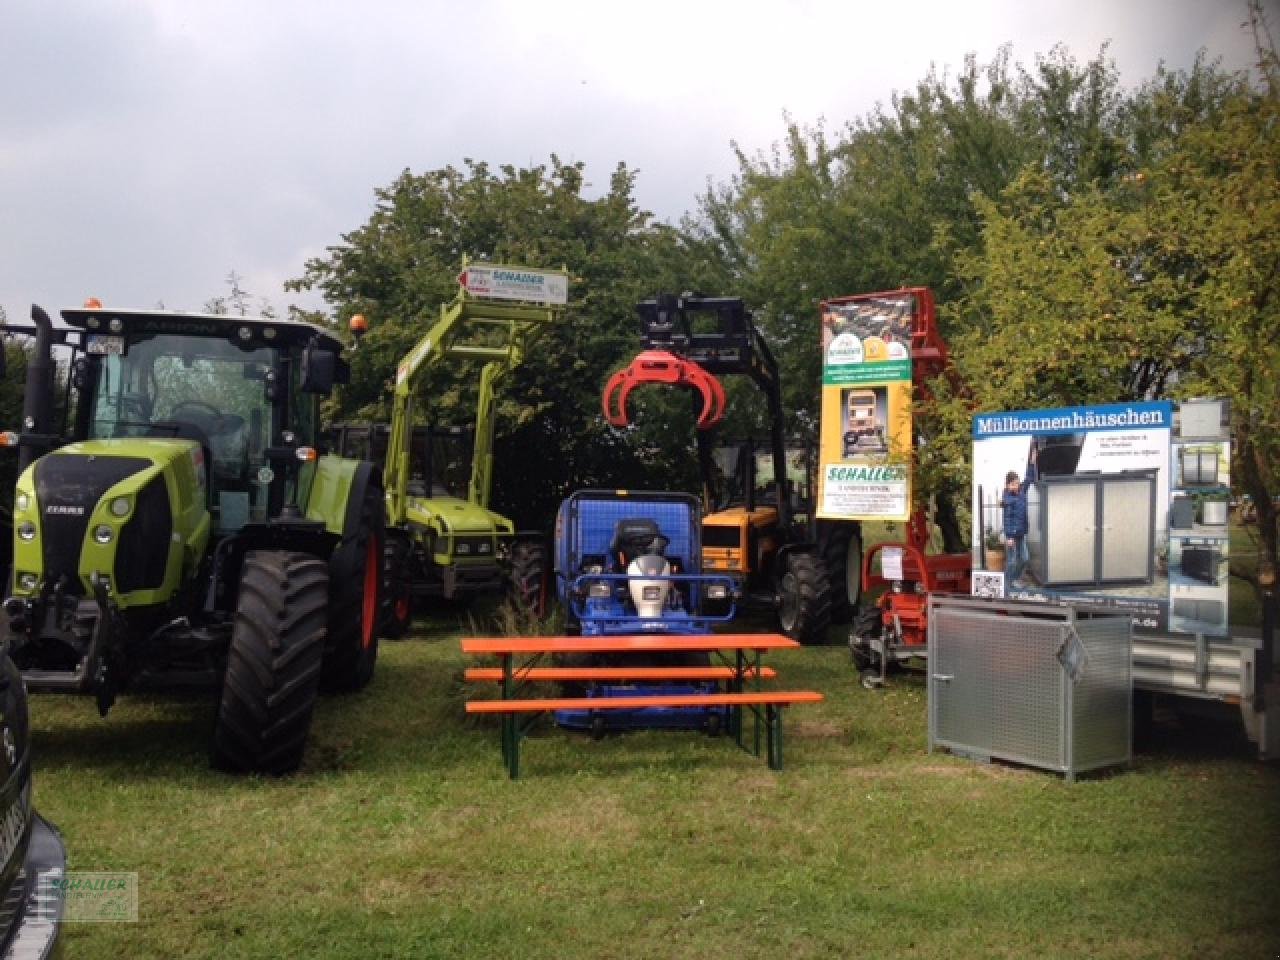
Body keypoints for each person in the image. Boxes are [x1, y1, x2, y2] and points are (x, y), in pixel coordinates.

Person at [1001, 445, 1038, 585]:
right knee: (1011, 560)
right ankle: (1007, 583)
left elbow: (1029, 477)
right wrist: (1009, 537)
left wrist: (1032, 462)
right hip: (1012, 534)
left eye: (1017, 483)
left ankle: (1015, 578)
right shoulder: (1007, 500)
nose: (1017, 486)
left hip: (1021, 533)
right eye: (1014, 484)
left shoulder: (1022, 491)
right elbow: (1007, 519)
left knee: (1025, 558)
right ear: (1008, 485)